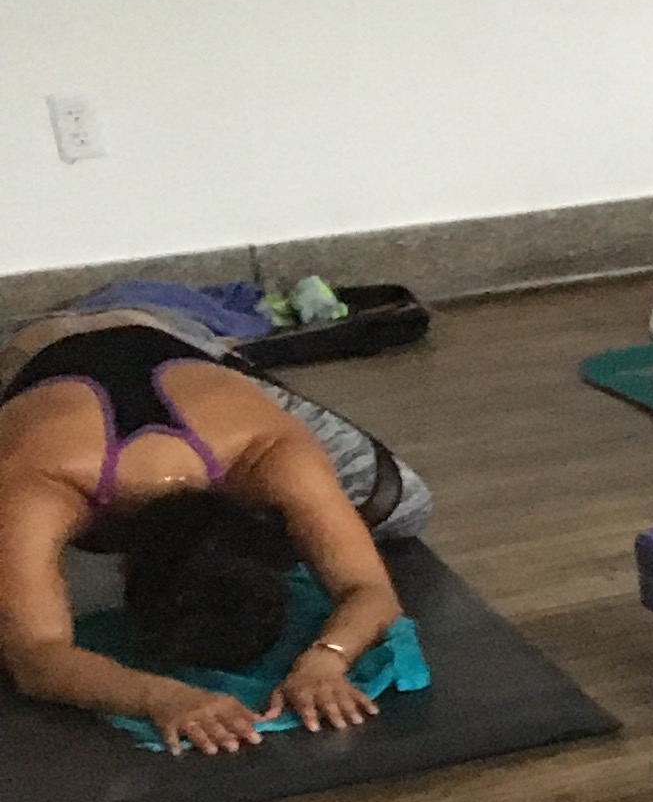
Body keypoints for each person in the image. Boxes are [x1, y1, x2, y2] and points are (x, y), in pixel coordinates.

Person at [0, 295, 431, 753]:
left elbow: (369, 589)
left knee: (401, 506)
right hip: (33, 352)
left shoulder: (267, 455)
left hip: (177, 346)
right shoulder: (37, 482)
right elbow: (34, 656)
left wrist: (325, 662)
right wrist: (163, 697)